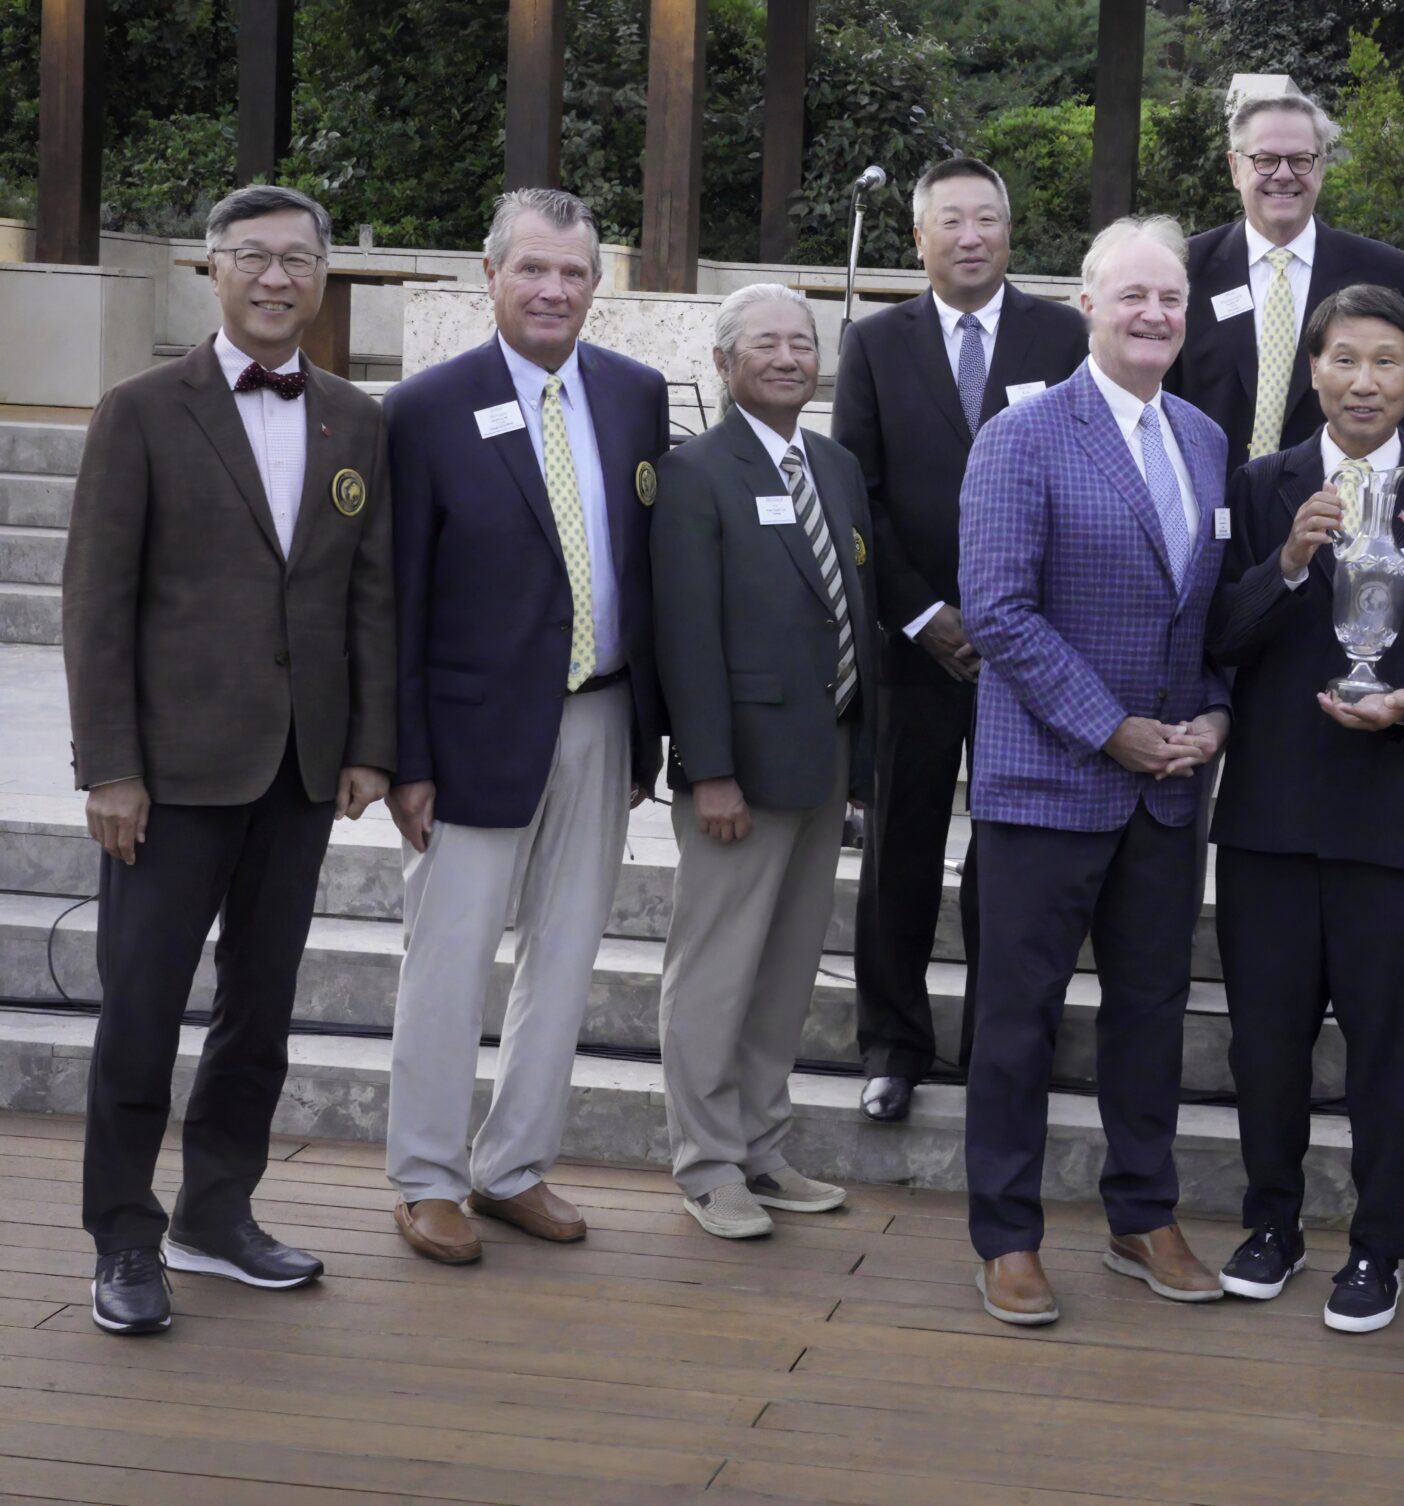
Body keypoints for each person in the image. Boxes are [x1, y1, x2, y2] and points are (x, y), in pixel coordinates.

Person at [64, 184, 391, 1333]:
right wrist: (110, 766)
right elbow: (96, 605)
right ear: (211, 269)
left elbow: (369, 596)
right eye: (253, 256)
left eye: (298, 259)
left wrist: (369, 746)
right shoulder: (142, 411)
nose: (276, 278)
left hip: (300, 772)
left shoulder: (357, 419)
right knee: (141, 1010)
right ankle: (123, 1235)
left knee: (261, 1010)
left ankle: (216, 1213)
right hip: (169, 775)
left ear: (322, 277)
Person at [1205, 284, 1404, 1333]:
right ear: (1313, 372)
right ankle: (1271, 1225)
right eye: (1344, 359)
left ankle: (1378, 1244)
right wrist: (1289, 563)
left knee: (1393, 1050)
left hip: (1397, 827)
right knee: (1267, 1044)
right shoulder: (1261, 488)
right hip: (1271, 823)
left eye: (1387, 361)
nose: (1364, 381)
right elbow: (1217, 634)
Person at [381, 188, 670, 1265]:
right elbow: (398, 598)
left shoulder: (637, 396)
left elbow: (645, 570)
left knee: (567, 955)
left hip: (601, 717)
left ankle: (512, 1168)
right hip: (469, 735)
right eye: (534, 269)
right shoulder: (424, 408)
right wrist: (406, 755)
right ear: (490, 274)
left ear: (597, 285)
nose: (554, 290)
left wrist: (648, 736)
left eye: (574, 273)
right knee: (448, 961)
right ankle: (426, 1177)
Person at [958, 217, 1233, 1327]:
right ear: (1087, 306)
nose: (1154, 315)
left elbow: (1204, 612)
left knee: (1150, 1013)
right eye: (1133, 296)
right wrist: (1107, 726)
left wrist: (1213, 713)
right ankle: (1007, 1237)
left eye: (1170, 299)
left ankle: (1140, 1213)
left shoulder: (1204, 439)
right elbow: (998, 611)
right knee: (1016, 1018)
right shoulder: (1021, 436)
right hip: (1047, 783)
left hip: (1166, 792)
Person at [834, 158, 1090, 1123]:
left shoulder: (1064, 336)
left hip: (1031, 649)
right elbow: (858, 492)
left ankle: (1001, 1049)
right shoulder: (874, 343)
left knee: (1012, 859)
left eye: (988, 218)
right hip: (915, 648)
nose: (971, 236)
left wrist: (1015, 617)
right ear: (919, 238)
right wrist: (922, 614)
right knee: (899, 849)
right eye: (951, 220)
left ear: (1010, 233)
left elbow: (1083, 476)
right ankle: (893, 1045)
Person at [651, 285, 882, 1237]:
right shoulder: (695, 471)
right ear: (723, 362)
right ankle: (707, 1164)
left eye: (803, 342)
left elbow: (851, 610)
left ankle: (760, 1147)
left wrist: (859, 763)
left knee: (785, 972)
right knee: (715, 973)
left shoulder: (834, 464)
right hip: (738, 774)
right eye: (766, 344)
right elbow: (686, 633)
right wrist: (708, 771)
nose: (789, 358)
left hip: (823, 758)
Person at [1166, 91, 1404, 475]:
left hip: (1335, 502)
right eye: (1265, 159)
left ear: (1320, 167)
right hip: (1208, 500)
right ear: (1235, 168)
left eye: (1300, 160)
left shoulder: (1386, 274)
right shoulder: (1183, 269)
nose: (1283, 174)